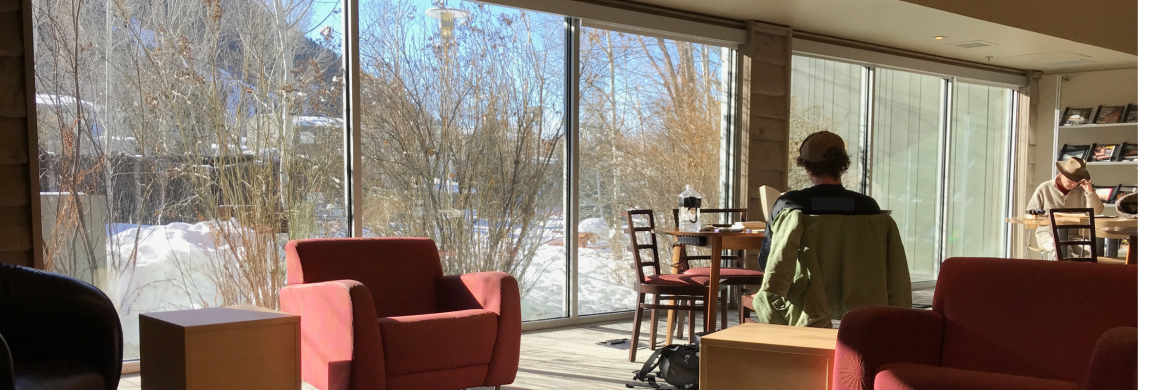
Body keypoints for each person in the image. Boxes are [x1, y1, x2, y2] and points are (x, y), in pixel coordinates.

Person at [757, 131, 882, 271]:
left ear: (807, 167)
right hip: (856, 291)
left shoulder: (789, 205)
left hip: (803, 291)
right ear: (842, 165)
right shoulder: (868, 207)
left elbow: (768, 262)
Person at [1026, 157, 1104, 255]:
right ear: (1061, 174)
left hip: (1075, 235)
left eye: (1076, 181)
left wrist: (1089, 192)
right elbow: (1030, 212)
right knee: (1060, 250)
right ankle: (1066, 270)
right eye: (1070, 180)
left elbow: (1096, 211)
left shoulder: (1082, 190)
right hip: (1048, 234)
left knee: (1092, 252)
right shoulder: (1045, 188)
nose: (1073, 184)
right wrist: (1041, 215)